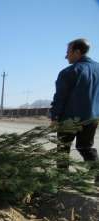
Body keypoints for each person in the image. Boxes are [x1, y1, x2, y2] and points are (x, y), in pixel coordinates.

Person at [50, 38, 99, 179]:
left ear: (77, 52)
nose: (66, 56)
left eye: (68, 52)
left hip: (70, 119)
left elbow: (60, 97)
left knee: (62, 149)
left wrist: (55, 117)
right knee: (86, 147)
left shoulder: (69, 72)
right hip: (93, 118)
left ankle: (62, 180)